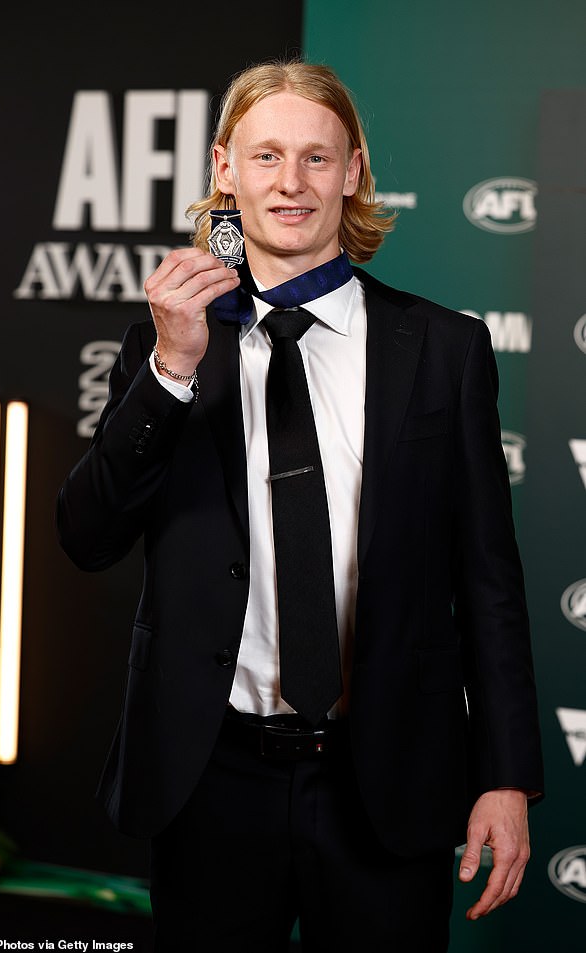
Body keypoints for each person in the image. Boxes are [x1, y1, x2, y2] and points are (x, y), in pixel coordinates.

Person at [57, 59, 544, 952]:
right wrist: (171, 369)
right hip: (209, 779)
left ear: (354, 172)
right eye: (267, 155)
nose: (290, 183)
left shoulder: (444, 348)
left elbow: (489, 582)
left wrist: (507, 776)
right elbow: (88, 536)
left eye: (317, 159)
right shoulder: (166, 345)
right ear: (223, 169)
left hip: (384, 778)